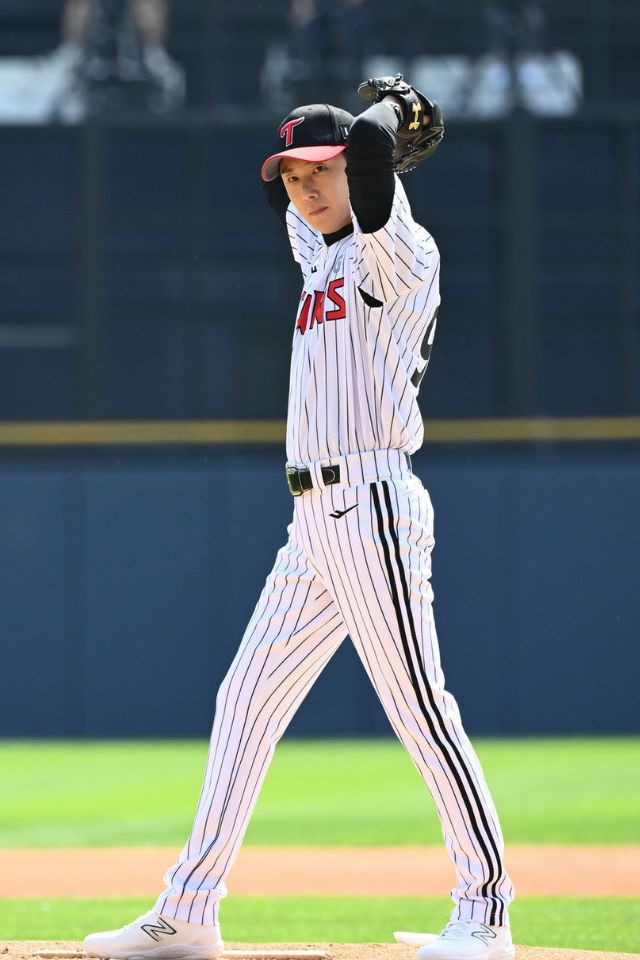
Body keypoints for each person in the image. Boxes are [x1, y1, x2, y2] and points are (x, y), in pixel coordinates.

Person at [83, 76, 515, 960]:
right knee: (244, 700)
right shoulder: (317, 252)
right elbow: (324, 190)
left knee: (420, 711)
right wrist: (349, 155)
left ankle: (486, 914)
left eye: (320, 170)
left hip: (373, 503)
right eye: (291, 175)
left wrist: (385, 124)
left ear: (366, 172)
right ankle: (190, 911)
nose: (306, 188)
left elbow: (362, 154)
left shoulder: (401, 254)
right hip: (311, 522)